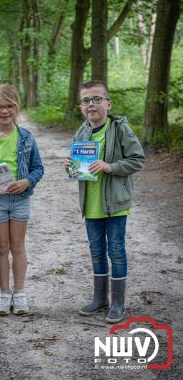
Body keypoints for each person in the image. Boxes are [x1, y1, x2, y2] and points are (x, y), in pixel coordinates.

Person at [64, 80, 145, 323]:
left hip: (115, 204)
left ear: (108, 104)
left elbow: (137, 160)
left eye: (97, 99)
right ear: (80, 106)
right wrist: (70, 167)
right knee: (97, 251)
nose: (91, 104)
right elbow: (79, 172)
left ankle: (118, 303)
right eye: (86, 100)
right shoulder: (81, 132)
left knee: (116, 251)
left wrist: (110, 166)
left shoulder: (119, 129)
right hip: (91, 205)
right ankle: (100, 298)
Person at [0, 84, 44, 316]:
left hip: (20, 199)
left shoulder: (25, 137)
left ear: (16, 107)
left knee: (18, 246)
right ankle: (4, 294)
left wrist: (26, 182)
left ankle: (20, 292)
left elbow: (38, 168)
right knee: (1, 247)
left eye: (9, 106)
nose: (4, 111)